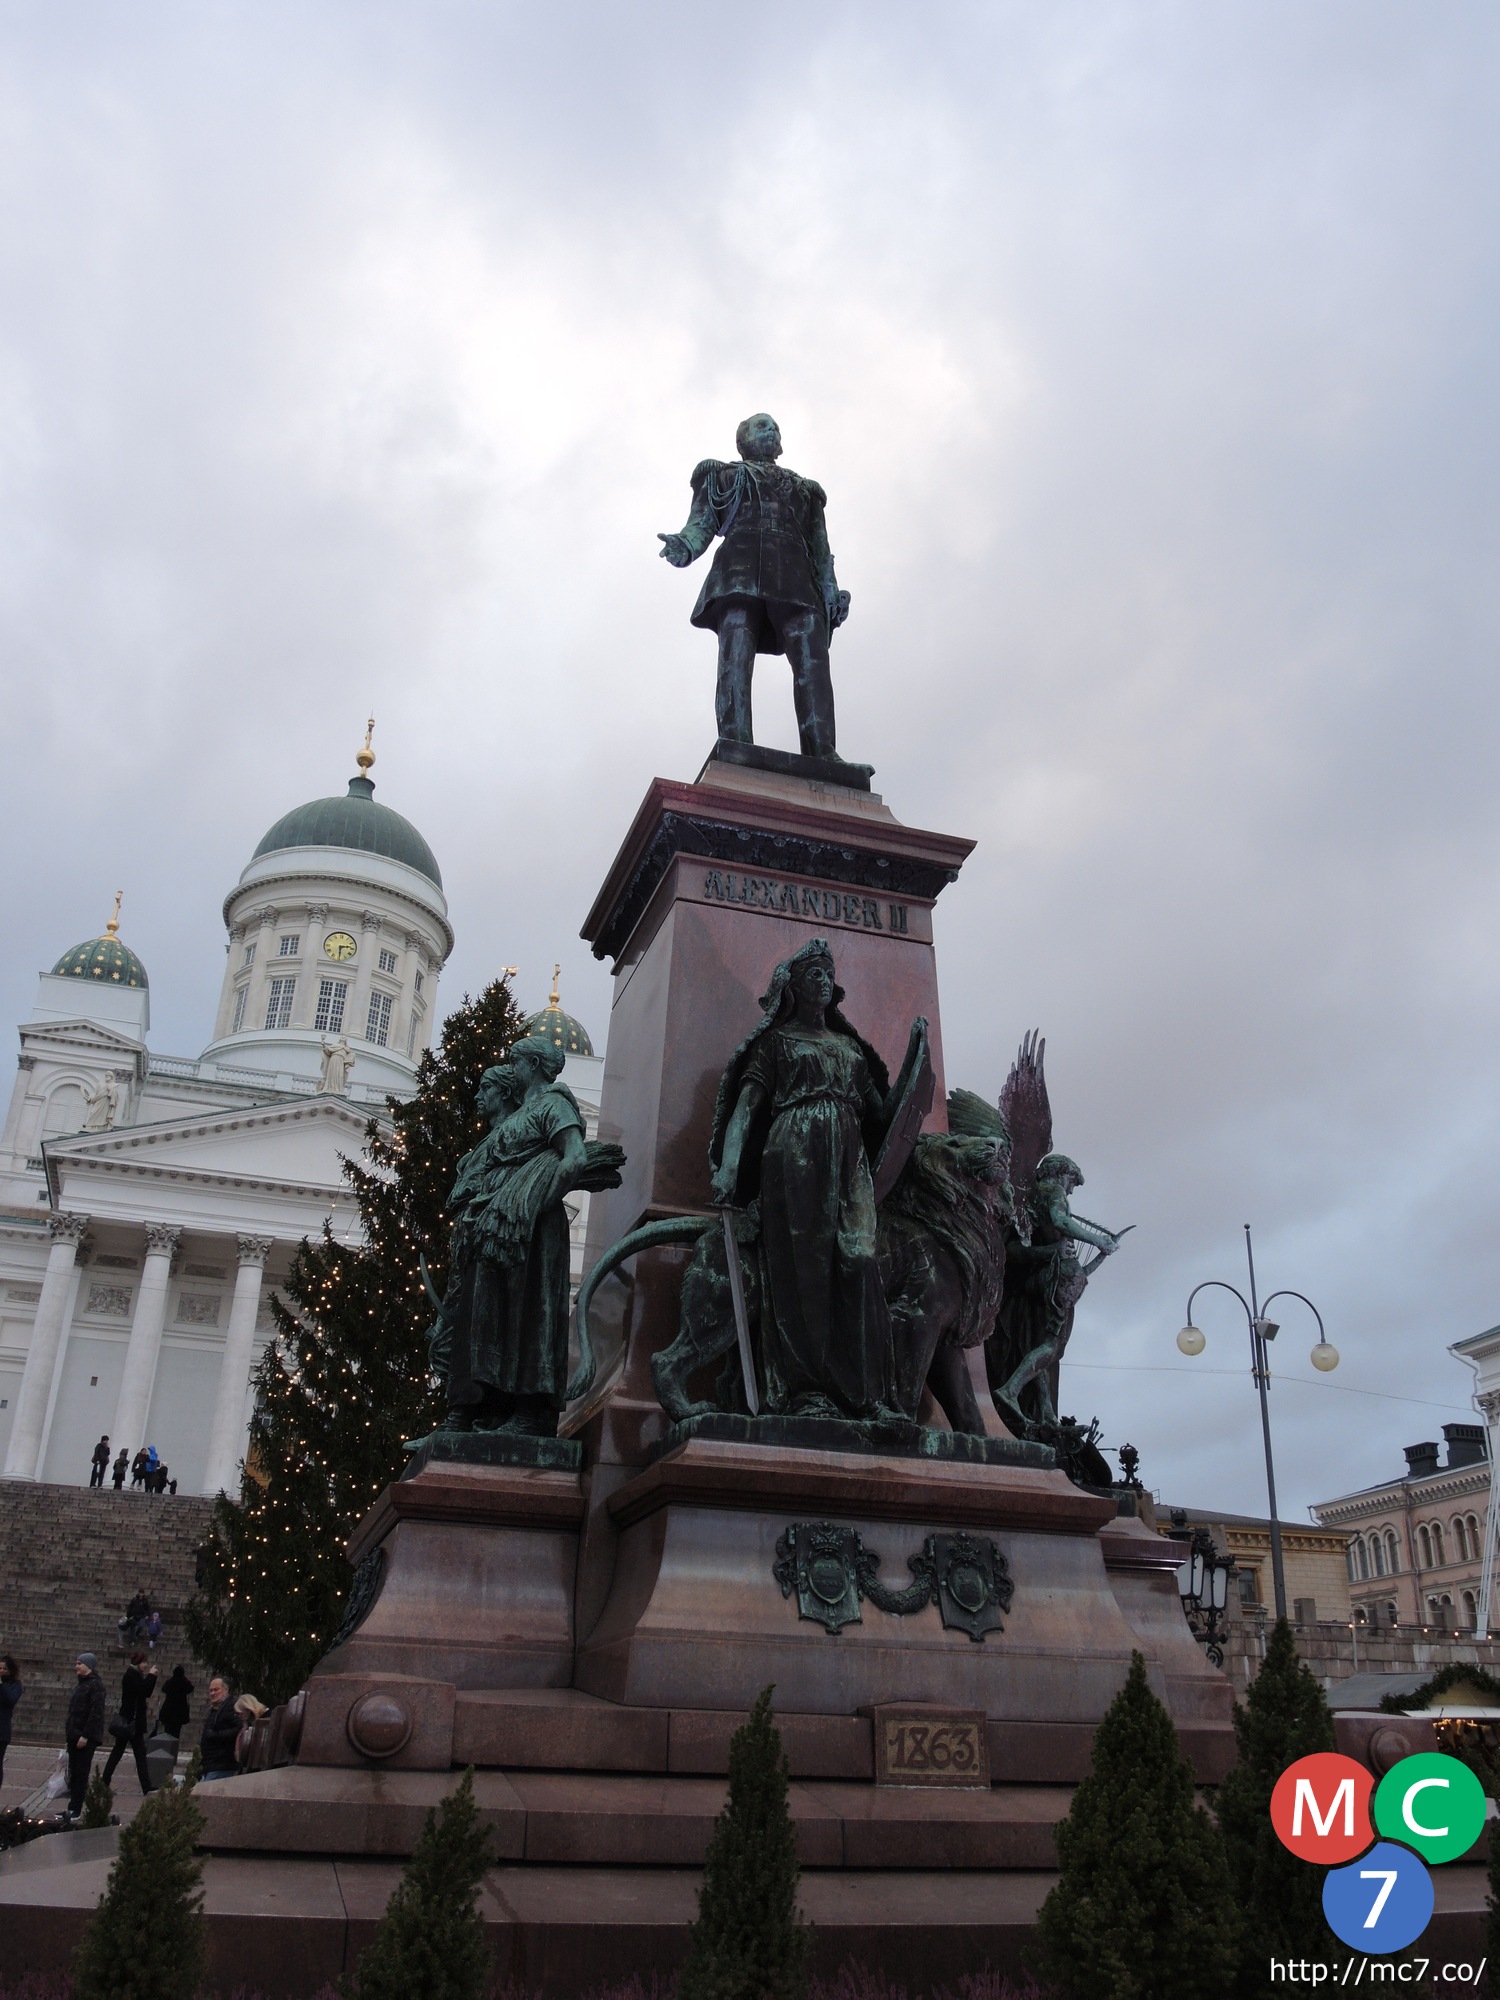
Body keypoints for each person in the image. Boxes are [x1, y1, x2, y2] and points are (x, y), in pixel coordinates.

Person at [709, 937, 901, 1420]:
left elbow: (884, 1116)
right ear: (791, 988)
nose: (824, 980)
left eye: (828, 973)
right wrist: (729, 1166)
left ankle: (867, 1394)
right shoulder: (776, 1044)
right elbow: (745, 1109)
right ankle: (807, 1391)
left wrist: (915, 1085)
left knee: (860, 1259)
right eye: (814, 973)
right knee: (803, 1272)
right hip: (793, 1152)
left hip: (850, 1159)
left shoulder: (849, 1048)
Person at [658, 412, 851, 761]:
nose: (772, 430)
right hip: (739, 569)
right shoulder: (724, 475)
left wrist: (830, 590)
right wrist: (684, 547)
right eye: (762, 426)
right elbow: (702, 523)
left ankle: (823, 751)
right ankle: (736, 740)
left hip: (796, 574)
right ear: (743, 440)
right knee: (736, 653)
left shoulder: (806, 490)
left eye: (775, 427)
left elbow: (821, 548)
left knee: (813, 659)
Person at [429, 1038, 590, 1437]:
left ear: (532, 1064)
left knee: (529, 1314)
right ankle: (478, 1410)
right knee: (487, 1318)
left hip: (530, 1229)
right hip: (497, 1229)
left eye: (515, 1062)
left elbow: (575, 1157)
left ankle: (529, 1412)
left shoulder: (554, 1104)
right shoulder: (522, 1113)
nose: (511, 1068)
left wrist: (533, 1202)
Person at [100, 1652, 156, 1795]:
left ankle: (105, 1782)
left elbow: (145, 1692)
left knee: (125, 1752)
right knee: (135, 1754)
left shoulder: (135, 1675)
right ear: (138, 1662)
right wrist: (151, 1676)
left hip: (132, 1722)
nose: (145, 1665)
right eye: (144, 1662)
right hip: (131, 1723)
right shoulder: (131, 1675)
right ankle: (145, 1786)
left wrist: (151, 1677)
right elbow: (143, 1690)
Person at [64, 1652, 106, 1818]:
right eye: (76, 1663)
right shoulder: (81, 1684)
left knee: (81, 1773)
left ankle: (76, 1809)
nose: (77, 1667)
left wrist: (85, 1735)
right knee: (74, 1772)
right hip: (73, 1734)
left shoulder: (96, 1685)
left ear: (88, 1666)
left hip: (85, 1737)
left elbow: (96, 1713)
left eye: (79, 1663)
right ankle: (72, 1807)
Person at [199, 1678, 240, 1782]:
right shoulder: (216, 1708)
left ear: (226, 1690)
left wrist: (216, 1735)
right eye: (211, 1690)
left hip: (222, 1764)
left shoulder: (230, 1706)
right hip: (212, 1764)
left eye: (216, 1690)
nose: (213, 1693)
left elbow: (240, 1729)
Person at [0, 1656, 21, 1789]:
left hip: (1, 1731)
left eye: (4, 1669)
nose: (1, 1671)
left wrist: (1, 1685)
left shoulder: (15, 1685)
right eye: (0, 1668)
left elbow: (11, 1700)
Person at [156, 1665, 193, 1741]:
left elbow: (163, 1689)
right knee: (177, 1733)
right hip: (180, 1712)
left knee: (167, 1732)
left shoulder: (170, 1682)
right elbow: (191, 1688)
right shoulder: (184, 1683)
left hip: (168, 1711)